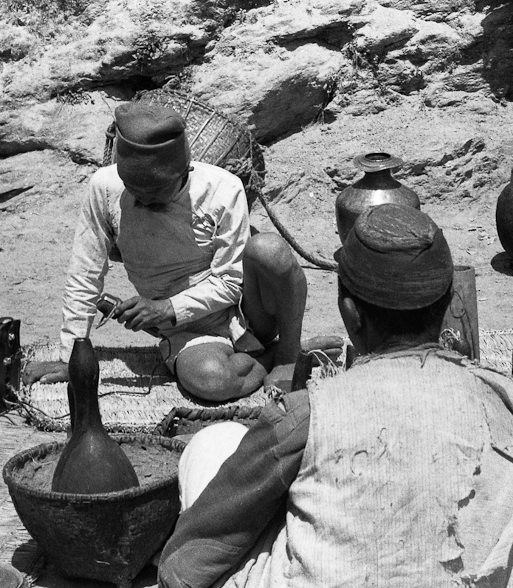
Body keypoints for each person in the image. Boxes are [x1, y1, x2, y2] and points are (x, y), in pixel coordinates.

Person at [139, 203, 513, 588]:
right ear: (446, 307)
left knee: (215, 446)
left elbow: (184, 570)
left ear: (350, 316)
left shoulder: (308, 413)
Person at [24, 101, 308, 400]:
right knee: (212, 381)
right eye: (134, 189)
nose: (144, 200)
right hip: (188, 331)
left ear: (184, 169)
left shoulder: (224, 188)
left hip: (246, 311)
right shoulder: (103, 187)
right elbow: (85, 273)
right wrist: (72, 353)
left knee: (269, 249)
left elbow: (229, 282)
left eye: (157, 192)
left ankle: (288, 358)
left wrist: (165, 307)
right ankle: (268, 357)